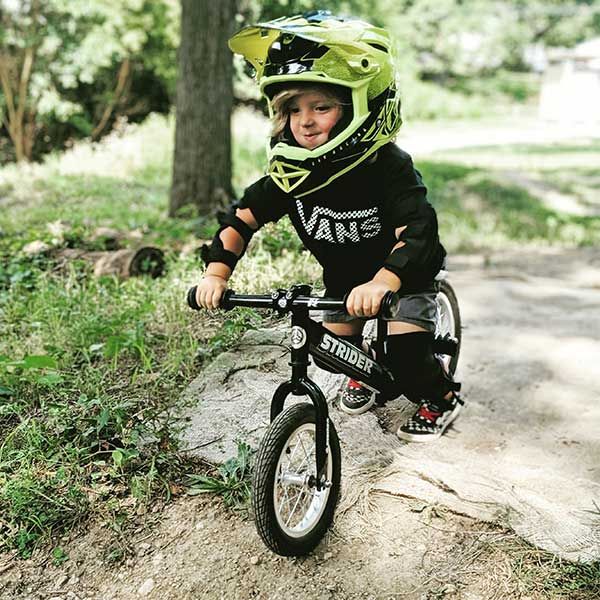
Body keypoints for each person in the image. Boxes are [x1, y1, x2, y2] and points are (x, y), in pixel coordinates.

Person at [195, 11, 462, 442]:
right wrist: (216, 273)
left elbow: (417, 231)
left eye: (322, 106)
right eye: (294, 109)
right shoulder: (292, 174)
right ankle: (365, 373)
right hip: (344, 279)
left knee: (408, 360)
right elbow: (241, 217)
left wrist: (384, 282)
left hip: (403, 277)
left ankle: (441, 397)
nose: (305, 120)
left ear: (361, 106)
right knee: (332, 354)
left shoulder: (388, 168)